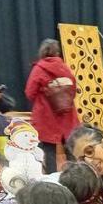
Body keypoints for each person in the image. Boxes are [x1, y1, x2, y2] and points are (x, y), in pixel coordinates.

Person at [25, 38, 79, 174]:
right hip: (67, 116)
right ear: (57, 52)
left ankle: (51, 180)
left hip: (46, 117)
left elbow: (29, 93)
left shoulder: (39, 69)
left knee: (49, 151)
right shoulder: (64, 67)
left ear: (42, 52)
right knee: (70, 149)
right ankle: (75, 177)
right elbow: (74, 89)